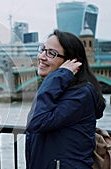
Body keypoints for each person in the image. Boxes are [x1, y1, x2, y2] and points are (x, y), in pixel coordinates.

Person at [25, 29, 106, 168]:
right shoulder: (57, 90)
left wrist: (59, 76)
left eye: (51, 53)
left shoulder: (81, 95)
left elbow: (37, 122)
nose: (42, 57)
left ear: (71, 62)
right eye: (43, 50)